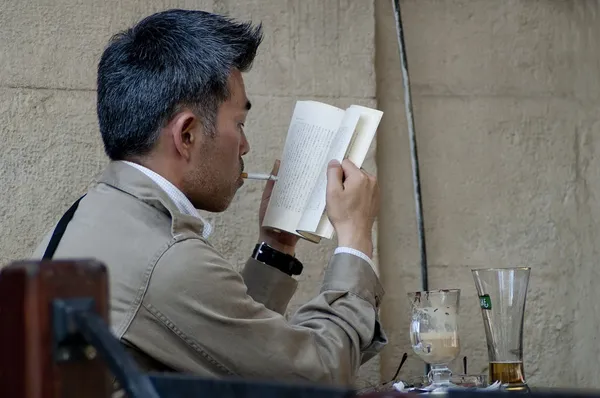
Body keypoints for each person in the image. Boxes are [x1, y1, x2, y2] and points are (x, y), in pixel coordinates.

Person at [32, 9, 387, 386]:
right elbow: (321, 377)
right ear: (187, 135)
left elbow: (223, 351)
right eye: (239, 124)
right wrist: (355, 241)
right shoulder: (166, 258)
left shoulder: (91, 216)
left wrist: (276, 250)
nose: (246, 145)